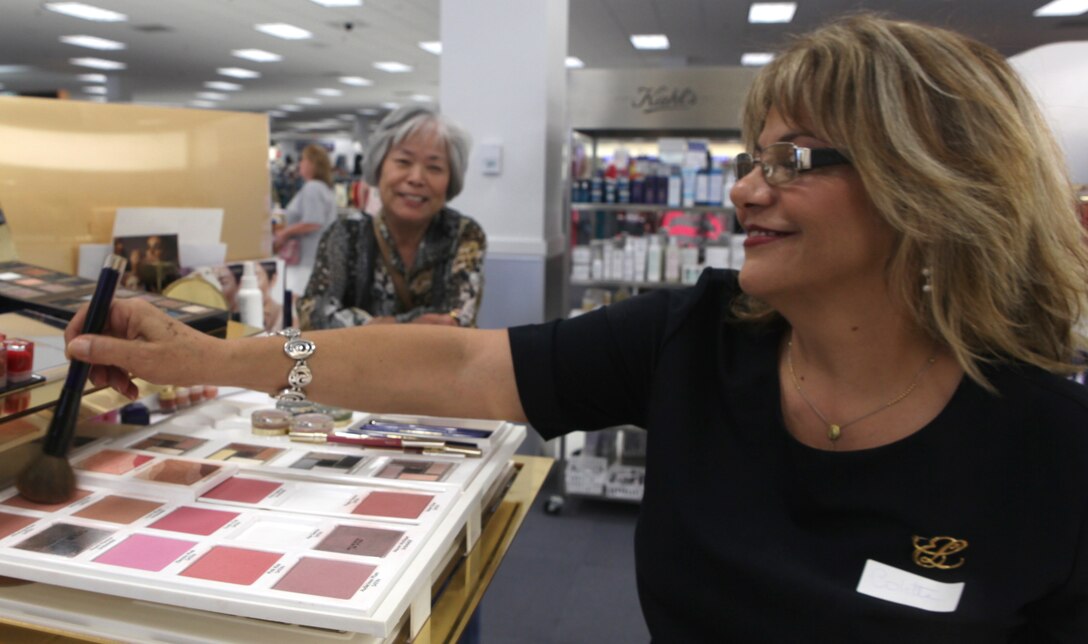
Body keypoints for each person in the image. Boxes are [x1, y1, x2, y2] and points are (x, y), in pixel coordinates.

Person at [63, 14, 1088, 641]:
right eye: (747, 156)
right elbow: (462, 363)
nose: (740, 190)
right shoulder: (697, 337)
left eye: (789, 160)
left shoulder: (1051, 447)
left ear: (926, 188)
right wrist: (212, 358)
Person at [296, 105, 486, 328]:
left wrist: (368, 326)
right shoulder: (346, 234)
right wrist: (401, 325)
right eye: (403, 162)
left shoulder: (464, 235)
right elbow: (313, 315)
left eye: (434, 167)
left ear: (450, 180)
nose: (416, 178)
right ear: (379, 167)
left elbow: (457, 322)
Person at [274, 144, 338, 296]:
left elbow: (313, 222)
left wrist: (284, 233)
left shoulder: (313, 188)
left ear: (312, 164)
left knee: (297, 299)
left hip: (306, 259)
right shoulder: (323, 188)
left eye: (303, 160)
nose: (300, 164)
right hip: (316, 258)